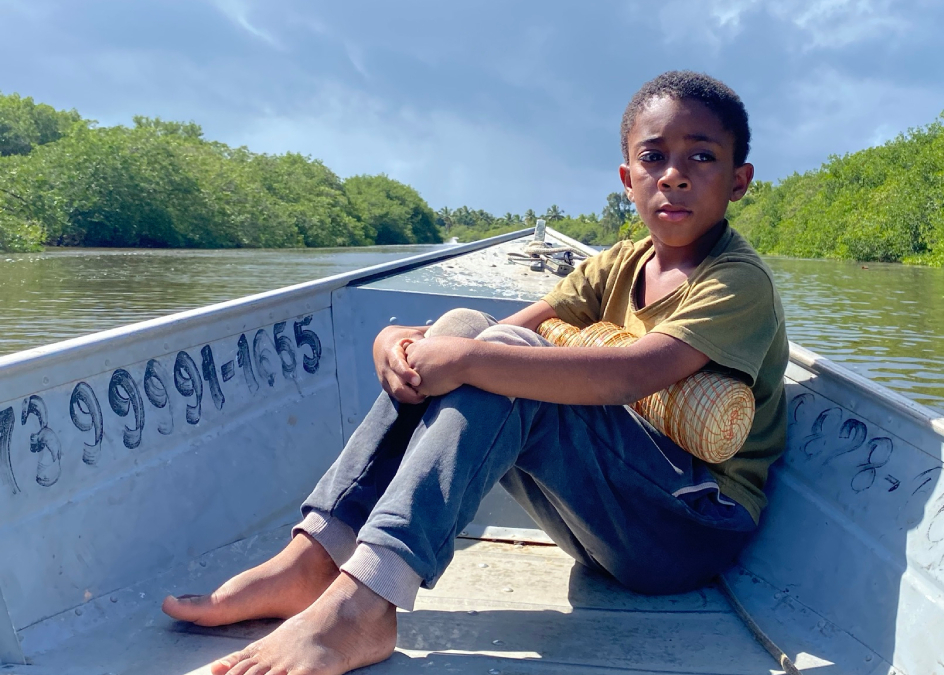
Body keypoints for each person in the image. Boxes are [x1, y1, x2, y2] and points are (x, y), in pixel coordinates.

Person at [162, 70, 790, 675]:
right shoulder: (621, 262)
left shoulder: (737, 281)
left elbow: (633, 374)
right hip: (610, 516)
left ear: (739, 181)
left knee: (494, 360)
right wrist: (404, 343)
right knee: (466, 327)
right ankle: (316, 554)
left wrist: (466, 357)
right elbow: (493, 333)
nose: (674, 176)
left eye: (701, 158)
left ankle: (366, 603)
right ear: (628, 178)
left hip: (689, 531)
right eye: (654, 158)